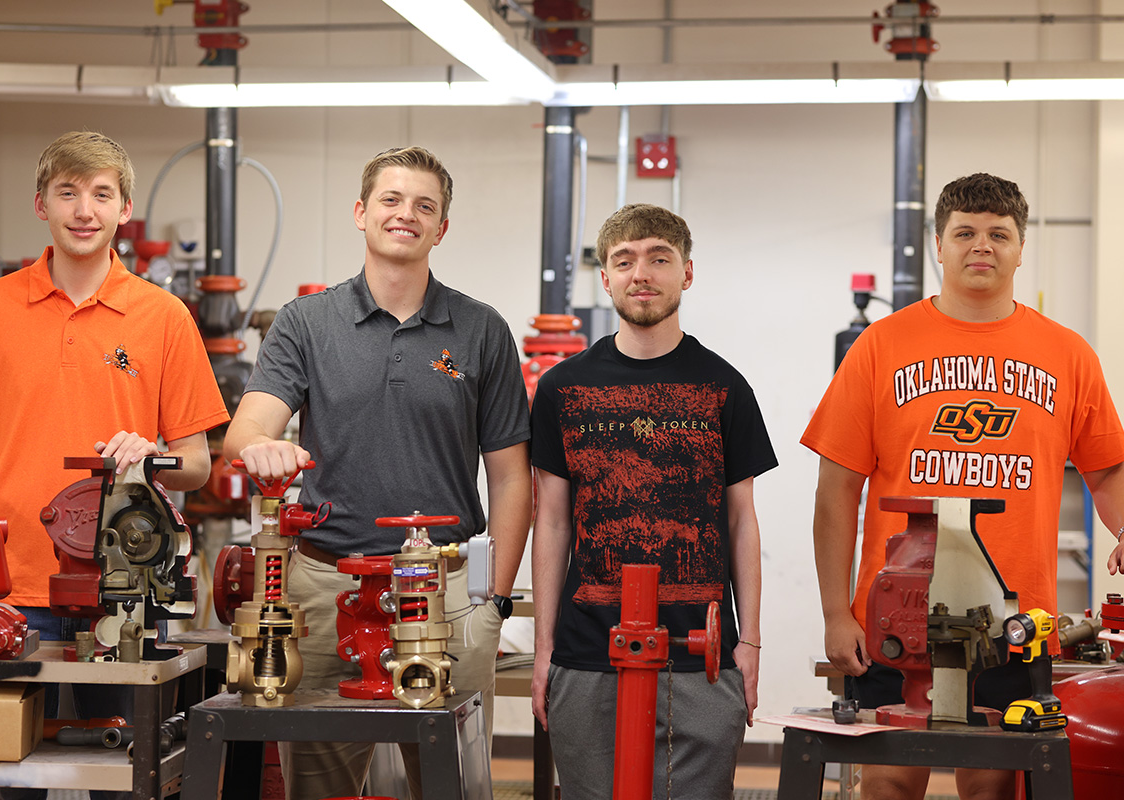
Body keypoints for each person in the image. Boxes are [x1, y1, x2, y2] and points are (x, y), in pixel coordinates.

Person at [0, 130, 230, 798]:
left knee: (122, 777)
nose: (83, 209)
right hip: (6, 593)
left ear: (125, 208)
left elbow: (198, 465)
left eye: (100, 194)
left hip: (117, 593)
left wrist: (153, 457)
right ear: (42, 204)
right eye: (68, 192)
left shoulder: (165, 317)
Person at [223, 145, 532, 800]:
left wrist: (494, 601)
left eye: (425, 206)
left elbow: (510, 478)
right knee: (320, 790)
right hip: (326, 586)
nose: (406, 215)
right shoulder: (306, 324)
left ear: (441, 228)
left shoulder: (481, 331)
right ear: (362, 213)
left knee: (452, 786)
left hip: (446, 592)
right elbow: (244, 430)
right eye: (391, 200)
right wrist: (261, 448)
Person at [802, 172, 1124, 800]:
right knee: (891, 780)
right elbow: (836, 487)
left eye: (999, 234)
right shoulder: (880, 347)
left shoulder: (1068, 355)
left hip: (1013, 621)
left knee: (994, 785)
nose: (982, 245)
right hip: (897, 617)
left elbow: (1106, 468)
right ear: (939, 246)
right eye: (965, 233)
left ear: (1021, 247)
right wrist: (836, 612)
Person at [530, 203, 776, 800]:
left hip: (702, 655)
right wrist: (544, 651)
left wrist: (750, 643)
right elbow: (553, 524)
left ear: (686, 273)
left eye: (659, 258)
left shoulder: (725, 386)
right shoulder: (563, 389)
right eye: (625, 260)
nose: (642, 273)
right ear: (607, 277)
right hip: (587, 652)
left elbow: (742, 522)